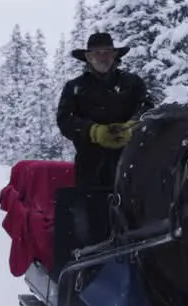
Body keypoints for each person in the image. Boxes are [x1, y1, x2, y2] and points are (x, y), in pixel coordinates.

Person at [56, 32, 155, 189]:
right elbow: (64, 120)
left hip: (131, 163)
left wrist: (131, 128)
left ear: (114, 54)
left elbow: (148, 110)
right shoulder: (74, 87)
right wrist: (93, 131)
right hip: (89, 167)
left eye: (107, 52)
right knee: (93, 210)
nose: (102, 57)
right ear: (88, 57)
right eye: (97, 53)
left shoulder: (133, 82)